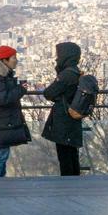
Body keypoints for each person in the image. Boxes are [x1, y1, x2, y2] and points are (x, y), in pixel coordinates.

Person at [0, 46, 31, 177]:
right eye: (14, 58)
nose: (16, 61)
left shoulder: (0, 75)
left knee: (2, 154)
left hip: (0, 121)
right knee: (1, 155)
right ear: (4, 60)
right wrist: (20, 90)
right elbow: (1, 98)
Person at [41, 41, 85, 176]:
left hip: (64, 120)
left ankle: (68, 184)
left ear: (66, 56)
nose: (56, 58)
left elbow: (49, 93)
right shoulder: (76, 72)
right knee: (72, 154)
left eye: (59, 55)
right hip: (72, 119)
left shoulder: (66, 75)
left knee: (64, 155)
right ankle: (74, 183)